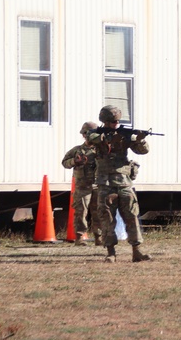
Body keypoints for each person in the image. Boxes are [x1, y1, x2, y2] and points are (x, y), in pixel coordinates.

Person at [87, 105, 151, 263]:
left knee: (131, 215)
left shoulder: (124, 135)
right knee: (107, 217)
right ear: (104, 122)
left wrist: (140, 139)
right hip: (106, 182)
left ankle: (137, 251)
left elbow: (143, 151)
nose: (115, 124)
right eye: (111, 122)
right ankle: (111, 252)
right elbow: (92, 139)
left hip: (124, 182)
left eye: (116, 122)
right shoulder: (95, 133)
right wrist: (110, 138)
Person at [60, 121, 102, 245]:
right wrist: (74, 161)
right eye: (88, 134)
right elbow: (65, 163)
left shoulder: (101, 150)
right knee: (80, 212)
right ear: (84, 135)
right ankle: (79, 237)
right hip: (82, 186)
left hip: (98, 185)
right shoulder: (77, 150)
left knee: (99, 212)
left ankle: (98, 237)